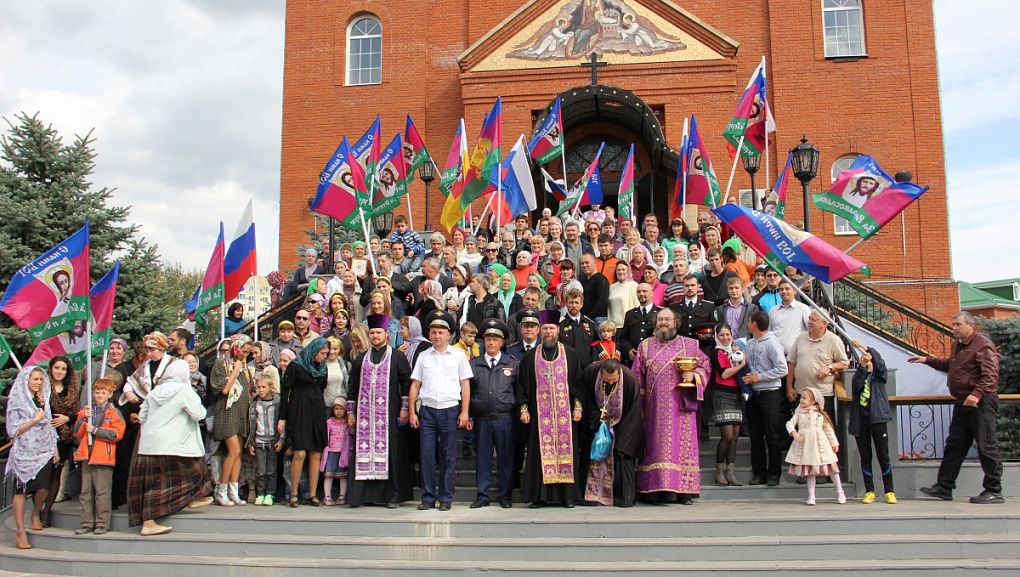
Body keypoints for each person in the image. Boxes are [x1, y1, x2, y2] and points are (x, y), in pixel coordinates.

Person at [911, 312, 1005, 504]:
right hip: (963, 402)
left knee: (986, 446)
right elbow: (950, 366)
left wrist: (976, 394)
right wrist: (928, 360)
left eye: (958, 324)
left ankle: (994, 490)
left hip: (981, 402)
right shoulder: (959, 346)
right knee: (955, 445)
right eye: (953, 324)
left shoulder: (982, 344)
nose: (954, 328)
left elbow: (991, 375)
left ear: (971, 326)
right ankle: (944, 487)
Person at [128, 358, 214, 535]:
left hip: (149, 444)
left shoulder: (155, 391)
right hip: (175, 444)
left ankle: (191, 497)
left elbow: (142, 415)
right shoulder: (184, 390)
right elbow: (198, 414)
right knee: (196, 468)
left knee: (153, 483)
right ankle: (150, 523)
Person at [632, 308, 709, 505]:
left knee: (680, 449)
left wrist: (694, 376)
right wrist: (636, 409)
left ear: (676, 323)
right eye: (660, 320)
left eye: (667, 319)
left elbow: (705, 365)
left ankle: (683, 491)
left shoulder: (690, 346)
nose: (663, 323)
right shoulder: (645, 346)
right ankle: (653, 490)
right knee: (654, 449)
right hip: (653, 410)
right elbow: (636, 378)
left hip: (680, 410)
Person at [517, 309, 583, 508]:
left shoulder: (570, 354)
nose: (548, 332)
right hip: (540, 416)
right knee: (539, 455)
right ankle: (539, 497)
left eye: (551, 329)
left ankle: (567, 497)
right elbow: (523, 385)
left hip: (565, 417)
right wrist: (523, 409)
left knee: (567, 454)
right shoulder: (531, 357)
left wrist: (578, 408)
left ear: (558, 330)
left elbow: (578, 383)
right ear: (539, 331)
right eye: (544, 329)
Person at [346, 313, 414, 508]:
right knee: (363, 451)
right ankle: (361, 496)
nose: (375, 336)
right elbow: (352, 386)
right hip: (365, 416)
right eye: (372, 333)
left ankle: (391, 497)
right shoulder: (361, 359)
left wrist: (404, 409)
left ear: (387, 334)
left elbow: (406, 383)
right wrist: (351, 412)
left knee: (391, 452)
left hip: (390, 413)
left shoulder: (397, 357)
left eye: (379, 332)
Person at [409, 311, 473, 511]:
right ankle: (428, 496)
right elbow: (414, 385)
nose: (437, 336)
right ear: (429, 334)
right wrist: (412, 411)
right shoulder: (423, 356)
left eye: (441, 332)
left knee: (448, 456)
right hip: (427, 410)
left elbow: (465, 385)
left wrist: (464, 412)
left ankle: (446, 497)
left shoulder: (458, 356)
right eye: (434, 332)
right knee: (427, 455)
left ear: (449, 335)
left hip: (449, 409)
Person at [5, 366, 59, 549]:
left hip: (44, 451)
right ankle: (20, 532)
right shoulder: (17, 401)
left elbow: (50, 425)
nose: (38, 382)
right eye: (34, 379)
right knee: (20, 492)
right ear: (26, 380)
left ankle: (35, 513)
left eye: (40, 379)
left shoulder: (43, 398)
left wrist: (54, 449)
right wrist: (35, 420)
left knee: (43, 487)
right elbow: (13, 430)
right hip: (23, 453)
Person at [468, 319, 518, 509]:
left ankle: (505, 495)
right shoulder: (474, 364)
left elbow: (518, 389)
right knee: (483, 458)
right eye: (488, 339)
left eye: (495, 339)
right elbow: (467, 390)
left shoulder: (512, 364)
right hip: (482, 418)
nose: (491, 342)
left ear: (502, 342)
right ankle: (483, 495)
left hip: (505, 417)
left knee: (506, 459)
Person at [582, 359, 643, 507]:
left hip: (623, 424)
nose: (610, 383)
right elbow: (585, 397)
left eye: (613, 380)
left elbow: (633, 413)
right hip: (597, 423)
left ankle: (623, 497)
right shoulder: (591, 373)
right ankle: (593, 496)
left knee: (622, 452)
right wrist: (597, 418)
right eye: (606, 380)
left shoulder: (629, 379)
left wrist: (621, 436)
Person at [279, 336, 330, 507]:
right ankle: (294, 493)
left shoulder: (323, 368)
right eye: (322, 353)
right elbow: (285, 391)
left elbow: (322, 388)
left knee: (316, 453)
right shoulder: (296, 365)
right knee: (299, 452)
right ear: (314, 351)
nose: (324, 356)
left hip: (317, 411)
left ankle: (313, 494)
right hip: (299, 409)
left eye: (326, 353)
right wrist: (283, 417)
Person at [71, 377, 125, 536]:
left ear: (110, 394)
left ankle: (102, 523)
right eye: (97, 392)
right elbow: (77, 432)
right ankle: (87, 523)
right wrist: (82, 418)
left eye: (103, 392)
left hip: (103, 456)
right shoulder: (87, 411)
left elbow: (117, 434)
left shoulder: (113, 412)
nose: (100, 395)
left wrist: (96, 431)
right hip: (87, 455)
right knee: (86, 492)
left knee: (102, 492)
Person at [743, 311, 789, 486]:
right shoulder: (750, 343)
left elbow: (782, 369)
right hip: (754, 394)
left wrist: (759, 377)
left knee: (772, 435)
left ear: (754, 323)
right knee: (756, 436)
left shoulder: (772, 343)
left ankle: (774, 474)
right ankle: (758, 473)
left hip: (770, 393)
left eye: (749, 321)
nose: (748, 323)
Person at [848, 340, 896, 504]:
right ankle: (870, 490)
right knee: (865, 456)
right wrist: (862, 367)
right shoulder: (860, 375)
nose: (868, 361)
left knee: (883, 456)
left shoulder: (879, 378)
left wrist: (865, 347)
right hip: (861, 421)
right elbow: (855, 386)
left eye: (870, 360)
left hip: (878, 420)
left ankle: (889, 491)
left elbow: (880, 363)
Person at [211, 334, 255, 507]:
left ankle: (233, 490)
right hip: (227, 412)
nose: (245, 355)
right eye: (243, 351)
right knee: (233, 451)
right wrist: (235, 370)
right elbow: (223, 389)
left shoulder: (244, 367)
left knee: (239, 453)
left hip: (241, 413)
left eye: (248, 352)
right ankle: (220, 491)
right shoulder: (222, 364)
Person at [786, 311, 849, 424]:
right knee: (802, 429)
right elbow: (791, 363)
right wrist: (789, 387)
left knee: (822, 429)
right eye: (809, 318)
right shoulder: (800, 338)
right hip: (802, 392)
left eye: (813, 320)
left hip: (822, 394)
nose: (809, 322)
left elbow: (844, 363)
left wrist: (829, 367)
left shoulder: (833, 340)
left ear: (824, 323)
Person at [786, 387, 846, 506]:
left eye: (804, 398)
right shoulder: (799, 414)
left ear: (813, 401)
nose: (801, 400)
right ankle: (812, 496)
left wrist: (834, 443)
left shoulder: (820, 415)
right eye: (801, 398)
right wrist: (794, 433)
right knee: (811, 471)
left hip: (821, 445)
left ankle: (840, 492)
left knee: (832, 468)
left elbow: (828, 430)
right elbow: (790, 423)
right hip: (807, 445)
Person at [39, 355, 78, 525]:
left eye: (63, 369)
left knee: (56, 474)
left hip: (63, 438)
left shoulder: (70, 390)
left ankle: (46, 512)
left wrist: (67, 418)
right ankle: (37, 509)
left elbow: (77, 413)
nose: (59, 372)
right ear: (51, 369)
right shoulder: (43, 388)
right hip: (43, 437)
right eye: (56, 368)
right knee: (42, 476)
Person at [710, 323, 746, 486]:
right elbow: (724, 374)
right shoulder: (717, 352)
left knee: (736, 437)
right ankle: (719, 471)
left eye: (728, 334)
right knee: (727, 436)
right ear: (717, 336)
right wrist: (741, 366)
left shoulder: (735, 351)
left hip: (736, 394)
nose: (725, 338)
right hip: (722, 393)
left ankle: (730, 471)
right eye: (722, 335)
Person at [246, 374, 283, 506]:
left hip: (273, 440)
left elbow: (281, 423)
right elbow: (251, 423)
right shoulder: (255, 403)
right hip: (259, 440)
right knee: (260, 470)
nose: (261, 390)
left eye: (263, 387)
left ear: (270, 387)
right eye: (259, 387)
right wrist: (251, 442)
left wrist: (281, 440)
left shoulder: (277, 403)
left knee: (271, 470)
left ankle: (270, 494)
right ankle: (260, 493)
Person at [321, 397, 352, 506]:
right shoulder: (329, 422)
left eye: (341, 409)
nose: (338, 411)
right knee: (329, 475)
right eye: (336, 408)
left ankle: (342, 495)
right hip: (331, 452)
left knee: (343, 475)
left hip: (343, 453)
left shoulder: (347, 423)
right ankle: (327, 496)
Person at [618, 283, 659, 363]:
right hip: (634, 360)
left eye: (644, 291)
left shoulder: (660, 313)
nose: (641, 294)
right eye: (639, 292)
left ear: (652, 293)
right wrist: (628, 350)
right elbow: (623, 337)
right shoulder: (630, 314)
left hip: (654, 359)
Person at [768, 280, 811, 355]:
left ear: (794, 291)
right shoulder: (773, 311)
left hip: (795, 356)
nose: (784, 291)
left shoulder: (803, 309)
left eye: (787, 289)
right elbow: (769, 332)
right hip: (776, 356)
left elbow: (811, 330)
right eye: (781, 289)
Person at [559, 288, 599, 367]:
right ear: (566, 304)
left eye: (577, 303)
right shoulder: (560, 325)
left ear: (582, 304)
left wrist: (594, 363)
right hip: (568, 367)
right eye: (571, 302)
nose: (574, 305)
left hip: (587, 368)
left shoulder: (590, 324)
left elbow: (595, 346)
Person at [671, 274, 716, 339]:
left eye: (693, 285)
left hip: (702, 345)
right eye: (687, 286)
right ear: (682, 287)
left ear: (698, 286)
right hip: (681, 345)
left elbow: (714, 329)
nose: (690, 288)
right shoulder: (674, 307)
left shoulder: (709, 306)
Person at [579, 254, 609, 324]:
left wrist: (589, 317)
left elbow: (603, 301)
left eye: (587, 262)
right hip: (585, 319)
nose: (584, 265)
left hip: (598, 319)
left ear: (595, 262)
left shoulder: (601, 279)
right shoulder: (583, 281)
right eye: (582, 263)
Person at [608, 264, 639, 328]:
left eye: (623, 270)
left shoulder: (633, 286)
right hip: (613, 326)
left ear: (628, 271)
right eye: (618, 270)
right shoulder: (611, 287)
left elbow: (637, 305)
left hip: (626, 325)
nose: (621, 272)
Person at [323, 337, 349, 408]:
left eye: (335, 349)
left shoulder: (346, 365)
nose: (332, 352)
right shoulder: (320, 365)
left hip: (342, 405)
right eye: (330, 349)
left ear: (339, 350)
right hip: (325, 405)